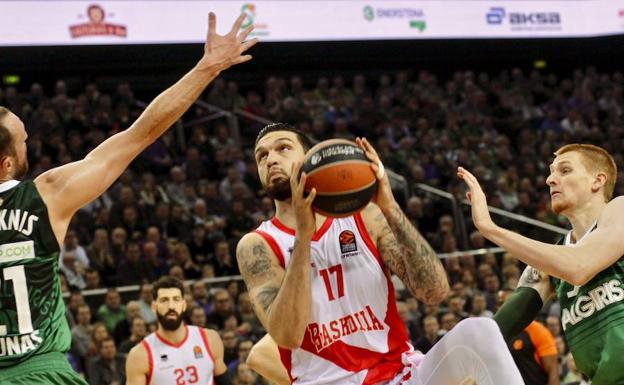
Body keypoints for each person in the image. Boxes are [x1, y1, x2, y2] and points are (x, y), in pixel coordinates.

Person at [0, 12, 255, 385]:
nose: (29, 146)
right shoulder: (45, 194)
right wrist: (207, 68)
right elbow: (141, 134)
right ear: (7, 162)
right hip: (40, 372)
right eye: (24, 142)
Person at [237, 123, 524, 385]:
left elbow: (434, 293)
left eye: (283, 148)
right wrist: (303, 237)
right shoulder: (257, 245)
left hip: (400, 373)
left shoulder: (366, 216)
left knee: (479, 332)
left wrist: (389, 206)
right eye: (261, 156)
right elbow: (287, 336)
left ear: (311, 158)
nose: (271, 159)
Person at [458, 143, 624, 384]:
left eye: (564, 171)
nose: (550, 180)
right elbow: (500, 327)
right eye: (551, 172)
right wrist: (467, 366)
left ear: (597, 181)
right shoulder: (552, 260)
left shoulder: (619, 210)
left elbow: (580, 267)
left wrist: (490, 229)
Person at [125, 276, 230, 385]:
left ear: (184, 305)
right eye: (164, 300)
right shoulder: (140, 354)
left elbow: (224, 381)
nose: (171, 306)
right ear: (154, 307)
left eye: (176, 299)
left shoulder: (209, 338)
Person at [498, 288, 559, 385]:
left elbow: (553, 372)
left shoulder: (537, 330)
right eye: (500, 303)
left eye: (507, 304)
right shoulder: (496, 334)